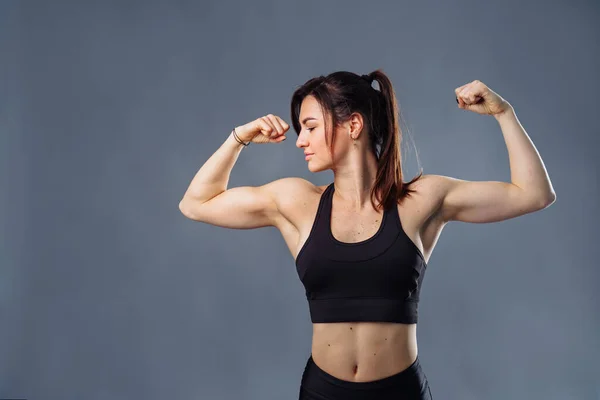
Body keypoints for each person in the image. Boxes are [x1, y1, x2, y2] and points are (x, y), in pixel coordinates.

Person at [178, 69, 556, 399]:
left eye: (310, 127)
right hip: (322, 392)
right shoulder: (296, 201)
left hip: (400, 392)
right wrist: (238, 138)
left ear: (353, 125)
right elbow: (196, 203)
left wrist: (504, 113)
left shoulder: (423, 200)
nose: (299, 141)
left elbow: (534, 194)